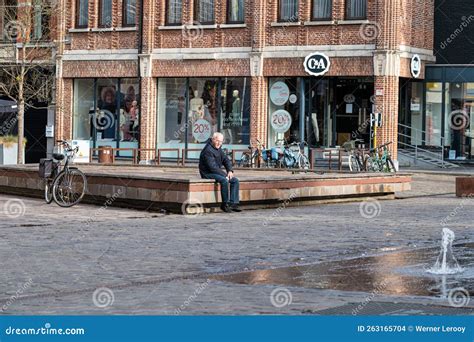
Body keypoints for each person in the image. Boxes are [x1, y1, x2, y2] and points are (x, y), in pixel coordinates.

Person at [199, 132, 241, 213]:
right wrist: (225, 175)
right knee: (224, 180)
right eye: (217, 141)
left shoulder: (218, 148)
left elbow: (226, 160)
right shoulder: (208, 150)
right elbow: (212, 168)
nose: (219, 143)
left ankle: (233, 204)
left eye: (221, 141)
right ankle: (224, 204)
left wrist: (230, 171)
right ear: (212, 139)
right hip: (207, 173)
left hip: (216, 172)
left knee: (235, 180)